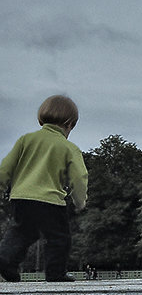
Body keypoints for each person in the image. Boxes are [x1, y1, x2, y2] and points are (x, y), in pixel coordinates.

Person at [0, 96, 88, 283]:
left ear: (41, 119)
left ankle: (5, 261)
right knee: (58, 238)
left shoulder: (25, 140)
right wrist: (80, 201)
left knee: (21, 232)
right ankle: (55, 274)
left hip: (21, 199)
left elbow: (5, 167)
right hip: (50, 201)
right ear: (70, 124)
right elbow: (79, 177)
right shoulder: (68, 147)